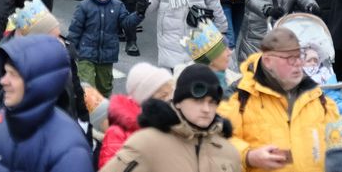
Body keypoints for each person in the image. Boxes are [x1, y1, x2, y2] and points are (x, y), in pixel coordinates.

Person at [219, 27, 339, 172]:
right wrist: (249, 156)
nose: (298, 63)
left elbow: (338, 147)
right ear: (268, 61)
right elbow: (218, 143)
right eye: (289, 58)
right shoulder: (240, 97)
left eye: (300, 56)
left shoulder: (317, 98)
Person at [0, 34, 94, 172]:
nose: (3, 81)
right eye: (6, 72)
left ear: (38, 83)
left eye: (13, 75)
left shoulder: (70, 151)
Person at [99, 64, 240, 172]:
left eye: (212, 102)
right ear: (178, 102)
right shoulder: (147, 141)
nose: (206, 109)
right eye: (198, 101)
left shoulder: (229, 151)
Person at [68, 0, 144, 97]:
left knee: (104, 88)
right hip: (86, 53)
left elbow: (126, 23)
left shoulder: (118, 6)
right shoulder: (84, 6)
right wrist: (70, 48)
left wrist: (138, 14)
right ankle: (87, 113)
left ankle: (103, 113)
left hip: (107, 55)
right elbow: (75, 29)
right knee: (87, 87)